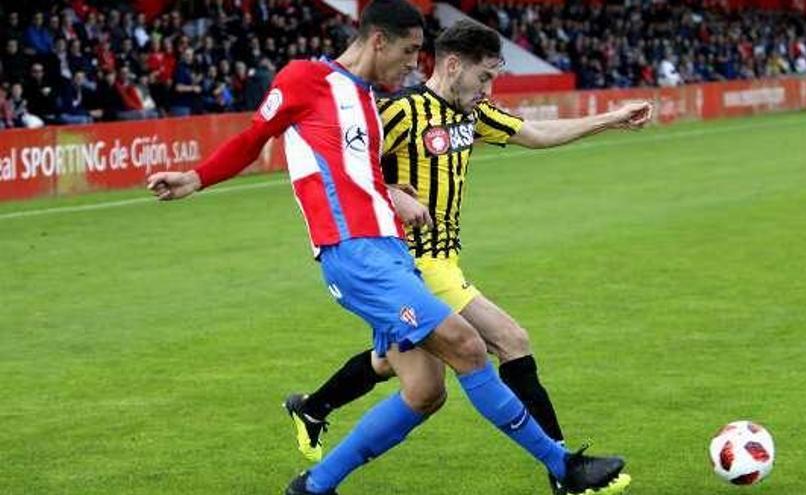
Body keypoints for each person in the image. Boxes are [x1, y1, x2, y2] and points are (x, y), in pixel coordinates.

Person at [147, 2, 624, 494]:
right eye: (410, 51)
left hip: (394, 250)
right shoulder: (305, 80)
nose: (415, 64)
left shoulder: (369, 102)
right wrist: (194, 177)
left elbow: (364, 174)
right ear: (379, 41)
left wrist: (394, 197)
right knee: (470, 345)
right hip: (354, 251)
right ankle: (564, 468)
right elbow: (254, 137)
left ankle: (313, 484)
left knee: (424, 391)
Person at [284, 19, 652, 495]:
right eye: (484, 77)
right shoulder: (400, 111)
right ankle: (563, 467)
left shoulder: (471, 114)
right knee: (509, 339)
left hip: (439, 263)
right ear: (453, 65)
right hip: (410, 263)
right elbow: (347, 166)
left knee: (418, 386)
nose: (489, 89)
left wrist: (609, 117)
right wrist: (393, 195)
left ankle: (314, 430)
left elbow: (536, 132)